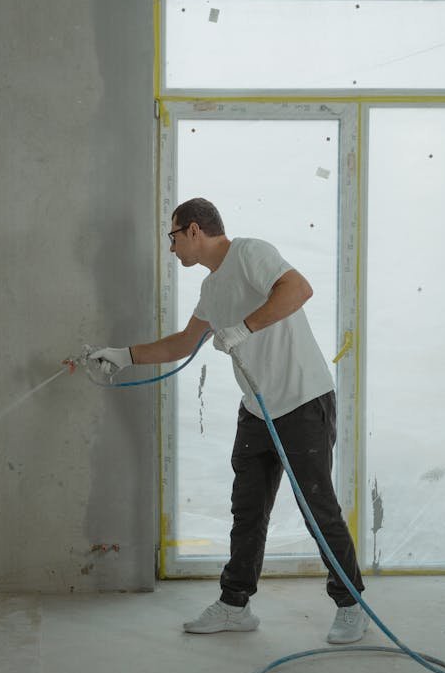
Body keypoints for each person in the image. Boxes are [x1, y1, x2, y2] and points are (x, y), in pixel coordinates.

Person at [88, 197, 368, 644]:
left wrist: (244, 328)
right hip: (257, 409)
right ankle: (235, 605)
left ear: (195, 230)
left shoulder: (250, 252)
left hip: (302, 400)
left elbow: (298, 289)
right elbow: (183, 342)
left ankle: (351, 604)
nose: (172, 246)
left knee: (318, 508)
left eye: (174, 235)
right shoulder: (211, 290)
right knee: (247, 509)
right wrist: (124, 356)